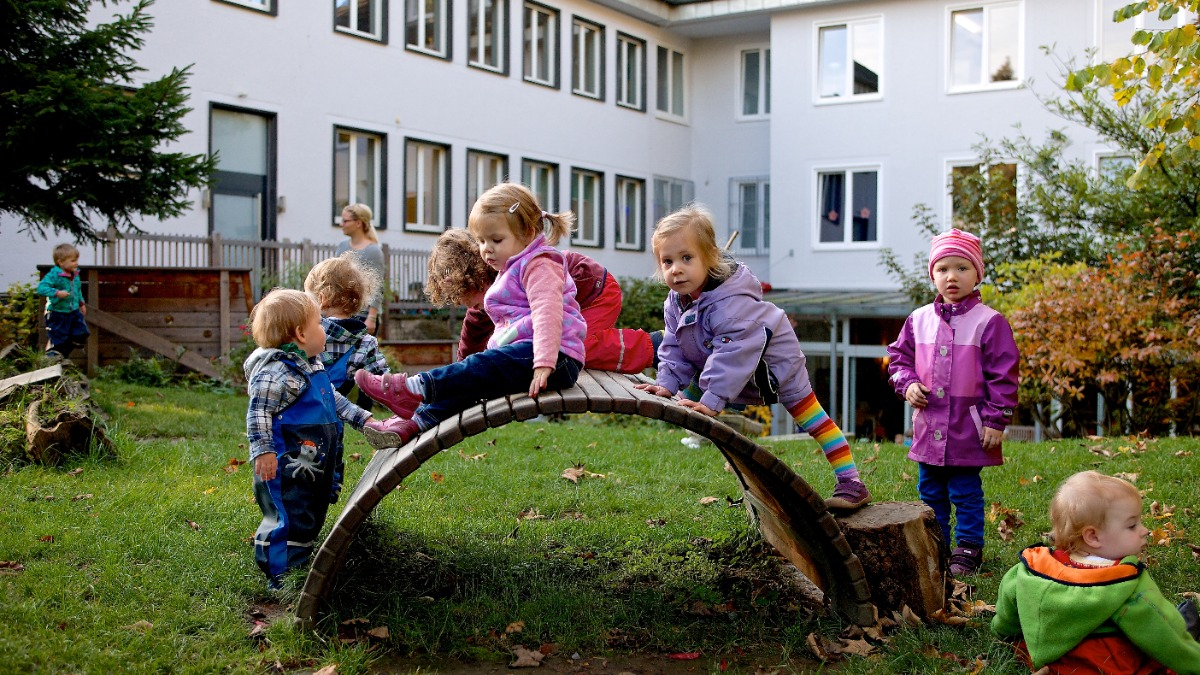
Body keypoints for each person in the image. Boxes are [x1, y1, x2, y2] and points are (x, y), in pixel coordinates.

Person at [634, 204, 871, 511]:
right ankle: (702, 422)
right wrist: (665, 382)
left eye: (686, 258)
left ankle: (852, 483)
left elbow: (734, 353)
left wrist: (712, 399)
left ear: (710, 257)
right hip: (725, 370)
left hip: (774, 367)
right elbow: (674, 345)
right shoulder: (677, 302)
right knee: (686, 397)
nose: (676, 269)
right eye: (667, 261)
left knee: (814, 421)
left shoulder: (730, 302)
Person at [355, 183, 585, 449]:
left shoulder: (540, 264)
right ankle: (413, 422)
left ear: (529, 232)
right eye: (481, 241)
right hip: (529, 356)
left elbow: (548, 311)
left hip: (554, 359)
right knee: (471, 381)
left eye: (496, 240)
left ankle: (413, 387)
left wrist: (545, 361)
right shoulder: (512, 267)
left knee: (483, 367)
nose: (486, 249)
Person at [886, 228, 1019, 576]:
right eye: (943, 269)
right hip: (929, 426)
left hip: (967, 426)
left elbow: (1003, 374)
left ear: (978, 274)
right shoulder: (918, 320)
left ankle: (969, 548)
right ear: (933, 276)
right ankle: (937, 545)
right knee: (930, 490)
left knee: (965, 489)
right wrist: (908, 384)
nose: (952, 276)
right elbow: (899, 360)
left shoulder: (989, 322)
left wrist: (995, 419)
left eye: (962, 268)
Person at [244, 288, 385, 589]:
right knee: (289, 514)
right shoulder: (274, 373)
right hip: (286, 465)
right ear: (300, 334)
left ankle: (301, 560)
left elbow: (334, 400)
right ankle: (280, 575)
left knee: (309, 513)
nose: (325, 330)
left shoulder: (312, 364)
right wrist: (264, 451)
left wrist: (365, 419)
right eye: (319, 324)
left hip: (314, 460)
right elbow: (258, 413)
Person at [992, 471, 1200, 673]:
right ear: (1093, 536)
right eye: (1132, 525)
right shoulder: (1124, 584)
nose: (1144, 530)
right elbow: (1164, 636)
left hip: (1054, 665)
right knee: (1175, 631)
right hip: (1107, 666)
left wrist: (1002, 631)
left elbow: (1009, 601)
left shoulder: (1034, 567)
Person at [425, 227, 660, 373]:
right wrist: (462, 375)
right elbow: (469, 348)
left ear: (480, 276)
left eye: (470, 299)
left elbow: (549, 314)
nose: (471, 308)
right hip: (569, 304)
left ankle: (654, 346)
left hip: (595, 292)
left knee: (571, 347)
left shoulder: (519, 273)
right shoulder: (483, 307)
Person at [303, 253, 390, 503]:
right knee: (329, 463)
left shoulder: (304, 331)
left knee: (296, 466)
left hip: (297, 417)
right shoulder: (364, 342)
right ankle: (329, 490)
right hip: (334, 422)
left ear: (321, 299)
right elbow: (384, 383)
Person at [335, 203, 385, 336]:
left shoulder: (373, 251)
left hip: (363, 317)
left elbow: (377, 287)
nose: (342, 224)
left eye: (345, 221)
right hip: (341, 314)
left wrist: (371, 318)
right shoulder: (341, 247)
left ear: (358, 223)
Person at [36, 243, 90, 361]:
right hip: (57, 312)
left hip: (73, 311)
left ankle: (65, 349)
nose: (76, 263)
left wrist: (81, 303)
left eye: (77, 260)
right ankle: (53, 358)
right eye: (73, 261)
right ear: (61, 262)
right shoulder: (54, 275)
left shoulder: (75, 275)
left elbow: (77, 290)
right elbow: (41, 288)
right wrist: (57, 293)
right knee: (59, 340)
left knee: (82, 333)